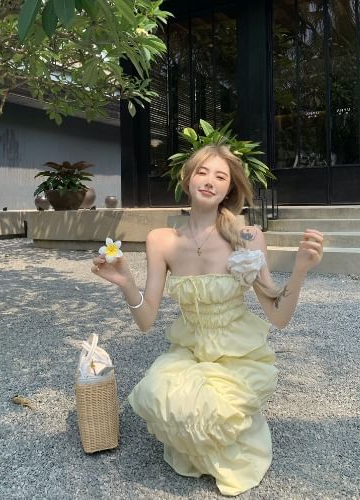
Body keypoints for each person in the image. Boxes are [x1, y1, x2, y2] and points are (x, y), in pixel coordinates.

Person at [91, 144, 324, 496]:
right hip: (190, 350)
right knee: (156, 393)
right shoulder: (161, 240)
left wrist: (300, 269)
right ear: (187, 180)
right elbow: (146, 319)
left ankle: (234, 436)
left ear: (229, 189)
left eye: (220, 176)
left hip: (237, 354)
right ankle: (204, 441)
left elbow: (278, 315)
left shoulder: (247, 237)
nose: (210, 181)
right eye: (202, 172)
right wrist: (126, 283)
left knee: (214, 411)